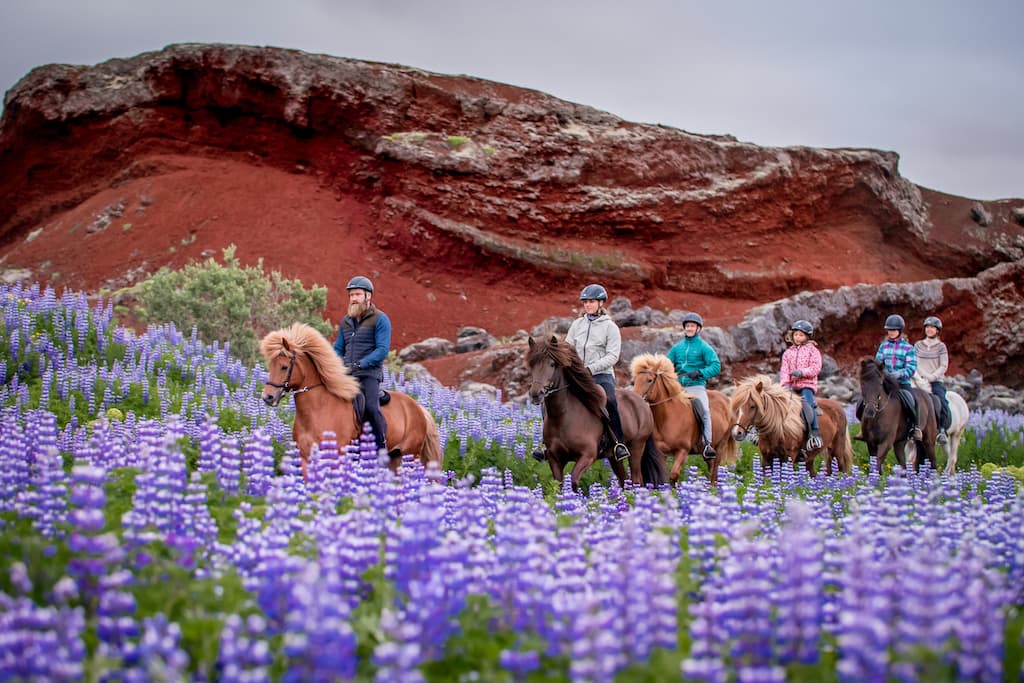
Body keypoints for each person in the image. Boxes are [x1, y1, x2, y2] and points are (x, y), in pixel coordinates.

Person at [534, 284, 631, 462]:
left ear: (601, 303)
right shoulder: (577, 324)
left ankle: (618, 443)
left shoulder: (610, 327)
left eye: (591, 301)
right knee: (549, 397)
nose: (588, 305)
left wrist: (591, 368)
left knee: (609, 400)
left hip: (601, 375)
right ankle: (546, 443)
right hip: (577, 375)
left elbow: (613, 356)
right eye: (585, 302)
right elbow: (568, 348)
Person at [333, 275, 392, 457]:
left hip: (369, 374)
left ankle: (382, 447)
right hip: (348, 374)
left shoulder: (380, 319)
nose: (353, 299)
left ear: (368, 296)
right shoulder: (346, 322)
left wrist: (361, 364)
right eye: (351, 295)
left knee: (370, 408)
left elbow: (382, 350)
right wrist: (331, 364)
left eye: (357, 294)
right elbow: (338, 348)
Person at [667, 312, 721, 461]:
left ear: (698, 329)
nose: (689, 328)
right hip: (678, 388)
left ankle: (707, 444)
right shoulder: (677, 348)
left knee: (704, 410)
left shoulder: (704, 347)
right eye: (687, 326)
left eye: (692, 326)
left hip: (696, 386)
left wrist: (700, 373)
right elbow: (666, 364)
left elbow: (716, 366)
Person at [875, 314, 923, 441]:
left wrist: (899, 374)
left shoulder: (908, 348)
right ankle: (867, 427)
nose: (891, 332)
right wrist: (884, 373)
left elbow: (912, 367)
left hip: (902, 383)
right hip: (886, 382)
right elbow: (878, 363)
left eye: (894, 330)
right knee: (868, 398)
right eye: (889, 330)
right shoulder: (883, 346)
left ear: (900, 331)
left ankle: (915, 427)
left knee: (912, 400)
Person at [779, 320, 824, 452]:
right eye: (796, 335)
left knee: (807, 404)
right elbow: (784, 370)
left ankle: (814, 433)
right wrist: (785, 384)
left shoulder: (813, 351)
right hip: (791, 386)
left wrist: (802, 372)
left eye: (801, 335)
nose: (798, 338)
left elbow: (816, 367)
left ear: (807, 337)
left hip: (807, 384)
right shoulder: (788, 353)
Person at [915, 315, 950, 445]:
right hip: (920, 380)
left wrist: (933, 377)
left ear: (937, 330)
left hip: (935, 381)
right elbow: (915, 362)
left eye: (932, 328)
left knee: (942, 402)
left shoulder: (941, 347)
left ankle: (941, 430)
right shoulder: (918, 345)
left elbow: (944, 365)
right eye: (927, 327)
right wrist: (923, 376)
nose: (929, 330)